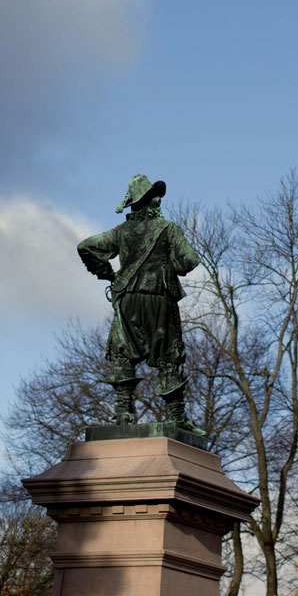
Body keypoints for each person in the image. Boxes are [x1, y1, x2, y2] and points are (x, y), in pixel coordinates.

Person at [77, 174, 203, 432]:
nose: (158, 200)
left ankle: (123, 413)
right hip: (158, 297)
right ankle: (176, 416)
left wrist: (108, 274)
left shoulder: (121, 232)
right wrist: (173, 263)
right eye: (155, 197)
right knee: (169, 353)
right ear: (152, 201)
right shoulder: (167, 229)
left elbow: (86, 246)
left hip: (127, 299)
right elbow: (189, 260)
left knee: (122, 351)